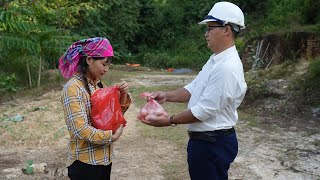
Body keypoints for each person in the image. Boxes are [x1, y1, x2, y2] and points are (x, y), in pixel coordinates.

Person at [140, 2, 247, 180]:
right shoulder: (216, 60)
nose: (206, 33)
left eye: (210, 28)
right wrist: (166, 95)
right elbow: (193, 88)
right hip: (206, 141)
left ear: (227, 30)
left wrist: (169, 120)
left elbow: (204, 110)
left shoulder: (227, 67)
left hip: (213, 143)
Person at [59, 37, 131, 180]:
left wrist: (122, 95)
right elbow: (80, 129)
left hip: (104, 160)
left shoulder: (98, 85)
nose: (106, 70)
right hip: (85, 165)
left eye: (108, 65)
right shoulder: (73, 88)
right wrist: (111, 136)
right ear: (89, 59)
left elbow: (111, 117)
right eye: (104, 64)